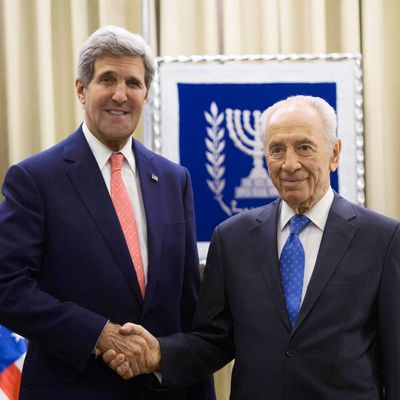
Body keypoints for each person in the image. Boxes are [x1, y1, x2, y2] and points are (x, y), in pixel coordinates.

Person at [105, 95, 400, 399]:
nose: (289, 164)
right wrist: (160, 354)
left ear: (334, 153)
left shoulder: (381, 239)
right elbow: (214, 341)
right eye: (276, 150)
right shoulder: (232, 239)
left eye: (304, 147)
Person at [0, 25, 215, 400]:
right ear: (82, 89)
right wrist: (98, 334)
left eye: (133, 82)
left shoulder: (172, 179)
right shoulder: (35, 179)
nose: (120, 94)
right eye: (107, 79)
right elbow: (8, 288)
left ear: (146, 93)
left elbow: (188, 307)